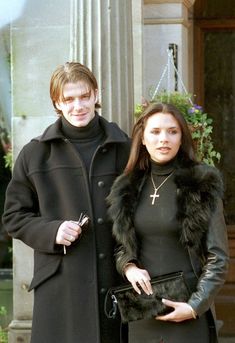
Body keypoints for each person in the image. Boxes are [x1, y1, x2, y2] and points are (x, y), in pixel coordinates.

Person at [2, 62, 130, 343]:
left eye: (84, 96)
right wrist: (52, 231)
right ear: (56, 103)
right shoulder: (34, 154)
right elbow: (14, 217)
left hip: (116, 281)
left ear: (96, 94)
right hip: (60, 288)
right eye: (68, 99)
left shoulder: (125, 147)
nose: (78, 106)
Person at [107, 102, 229, 343]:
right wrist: (128, 266)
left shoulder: (202, 182)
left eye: (172, 131)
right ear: (142, 138)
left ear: (181, 137)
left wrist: (194, 306)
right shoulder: (127, 187)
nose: (164, 138)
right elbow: (122, 246)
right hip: (142, 313)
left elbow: (218, 258)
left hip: (187, 312)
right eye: (155, 131)